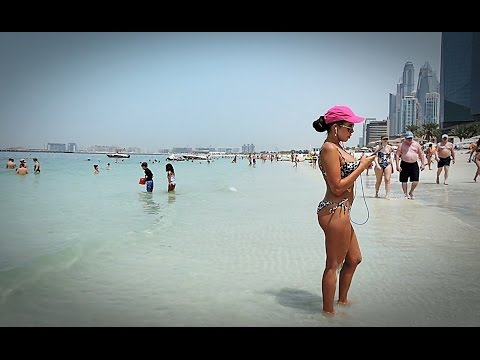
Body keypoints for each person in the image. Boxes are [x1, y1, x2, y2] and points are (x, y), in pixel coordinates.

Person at [312, 105, 375, 316]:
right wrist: (362, 166)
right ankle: (328, 314)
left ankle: (343, 301)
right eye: (349, 127)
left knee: (354, 259)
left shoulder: (340, 148)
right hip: (333, 212)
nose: (352, 131)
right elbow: (337, 187)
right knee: (333, 265)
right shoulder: (329, 149)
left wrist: (362, 164)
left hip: (343, 212)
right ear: (336, 127)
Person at [395, 131, 425, 199]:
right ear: (405, 138)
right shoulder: (401, 145)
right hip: (404, 163)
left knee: (415, 180)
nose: (409, 140)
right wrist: (397, 165)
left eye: (411, 138)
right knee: (404, 180)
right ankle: (405, 194)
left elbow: (421, 154)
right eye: (408, 138)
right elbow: (397, 155)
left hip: (414, 164)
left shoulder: (416, 144)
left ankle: (411, 192)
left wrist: (423, 164)